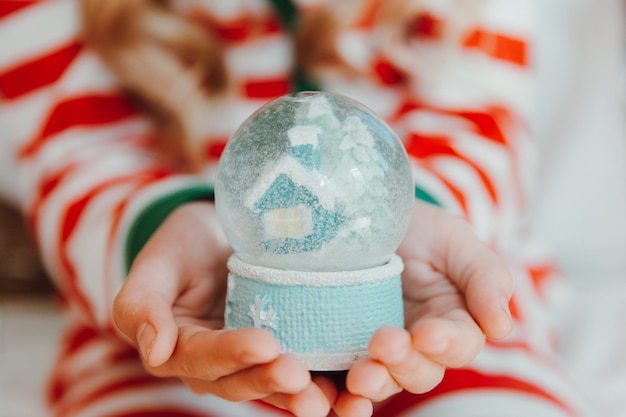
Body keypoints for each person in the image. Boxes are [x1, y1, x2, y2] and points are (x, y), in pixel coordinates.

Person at [0, 0, 593, 416]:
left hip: (436, 311)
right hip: (180, 331)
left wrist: (415, 213)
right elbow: (73, 158)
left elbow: (483, 131)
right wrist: (164, 229)